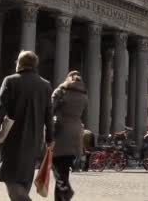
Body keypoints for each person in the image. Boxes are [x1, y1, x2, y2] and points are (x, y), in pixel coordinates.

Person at [0, 51, 54, 201]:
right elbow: (49, 116)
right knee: (24, 181)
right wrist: (49, 138)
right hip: (33, 141)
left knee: (10, 179)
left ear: (19, 63)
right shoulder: (45, 85)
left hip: (11, 138)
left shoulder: (10, 81)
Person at [52, 71, 88, 201]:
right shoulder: (84, 96)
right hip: (76, 131)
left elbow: (50, 109)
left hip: (61, 131)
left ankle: (66, 189)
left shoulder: (60, 92)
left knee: (56, 165)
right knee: (65, 168)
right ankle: (61, 197)